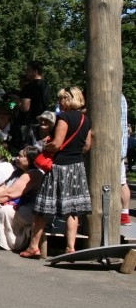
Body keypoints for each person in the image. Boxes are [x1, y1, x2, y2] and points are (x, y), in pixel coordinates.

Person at [20, 86, 92, 258]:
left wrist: (46, 145)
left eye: (62, 99)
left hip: (58, 167)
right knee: (72, 209)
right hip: (77, 167)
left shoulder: (64, 117)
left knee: (42, 208)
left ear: (69, 99)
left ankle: (33, 247)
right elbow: (88, 146)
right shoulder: (86, 120)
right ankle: (70, 247)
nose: (59, 103)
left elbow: (57, 144)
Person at [0, 146, 44, 251]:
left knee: (5, 210)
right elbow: (4, 187)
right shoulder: (17, 172)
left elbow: (11, 193)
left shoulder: (34, 174)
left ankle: (7, 242)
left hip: (30, 209)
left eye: (21, 156)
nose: (17, 158)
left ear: (30, 159)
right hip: (15, 203)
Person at [17, 61, 50, 146]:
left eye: (28, 70)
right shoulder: (46, 85)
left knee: (27, 150)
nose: (26, 73)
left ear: (35, 72)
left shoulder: (29, 87)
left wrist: (18, 101)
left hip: (29, 123)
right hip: (43, 122)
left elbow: (25, 108)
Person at [121, 94, 132, 226]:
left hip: (112, 148)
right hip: (119, 146)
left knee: (121, 181)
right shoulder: (121, 96)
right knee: (121, 181)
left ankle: (124, 215)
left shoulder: (113, 94)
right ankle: (124, 214)